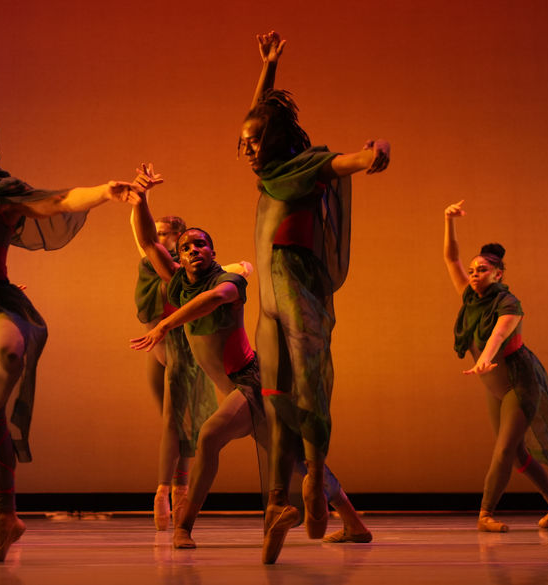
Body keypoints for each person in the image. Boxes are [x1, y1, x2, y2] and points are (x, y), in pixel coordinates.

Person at [0, 41, 153, 561]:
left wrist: (104, 191)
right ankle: (5, 519)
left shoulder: (4, 191)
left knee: (10, 353)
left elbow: (58, 200)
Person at [129, 175, 371, 556]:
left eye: (200, 244)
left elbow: (214, 299)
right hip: (234, 389)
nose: (193, 250)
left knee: (209, 436)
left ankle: (184, 526)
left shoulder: (229, 280)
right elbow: (147, 242)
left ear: (213, 251)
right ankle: (355, 524)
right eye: (186, 246)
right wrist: (140, 200)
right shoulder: (179, 283)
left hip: (253, 383)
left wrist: (165, 324)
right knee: (297, 461)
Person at [239, 31, 389, 563]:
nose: (247, 149)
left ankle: (312, 480)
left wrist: (371, 155)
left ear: (275, 140)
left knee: (308, 389)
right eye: (243, 142)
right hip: (269, 299)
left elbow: (340, 163)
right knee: (275, 398)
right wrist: (268, 69)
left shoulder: (301, 168)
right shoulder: (271, 173)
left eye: (255, 141)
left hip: (293, 282)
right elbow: (258, 114)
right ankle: (278, 502)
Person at [443, 200, 548, 532]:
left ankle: (485, 514)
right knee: (517, 453)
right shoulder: (469, 297)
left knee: (504, 450)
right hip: (494, 388)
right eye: (472, 271)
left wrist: (485, 359)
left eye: (482, 270)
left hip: (520, 383)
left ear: (498, 274)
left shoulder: (509, 302)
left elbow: (499, 334)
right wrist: (449, 220)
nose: (474, 275)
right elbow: (451, 258)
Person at [131, 205, 217, 530]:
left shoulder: (192, 268)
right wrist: (140, 200)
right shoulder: (151, 264)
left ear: (179, 238)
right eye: (157, 233)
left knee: (181, 421)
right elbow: (143, 241)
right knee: (174, 421)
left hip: (185, 345)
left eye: (165, 233)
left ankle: (172, 490)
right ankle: (171, 490)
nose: (159, 238)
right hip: (160, 346)